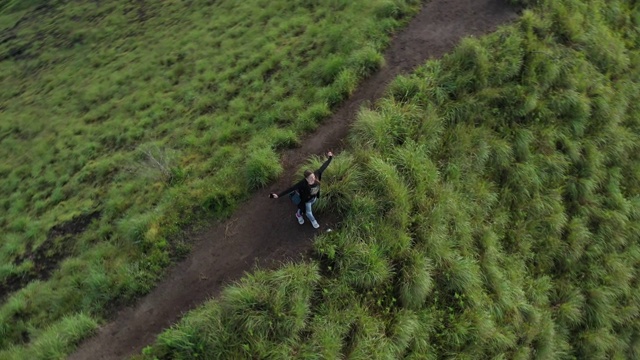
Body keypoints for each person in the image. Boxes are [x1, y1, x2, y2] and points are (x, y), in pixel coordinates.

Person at [270, 151, 333, 229]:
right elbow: (290, 189)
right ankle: (312, 221)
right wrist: (278, 195)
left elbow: (324, 166)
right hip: (306, 200)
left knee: (305, 207)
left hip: (314, 197)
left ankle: (299, 214)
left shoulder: (317, 174)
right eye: (310, 178)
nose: (313, 179)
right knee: (308, 212)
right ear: (306, 179)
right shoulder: (302, 184)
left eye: (313, 176)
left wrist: (330, 157)